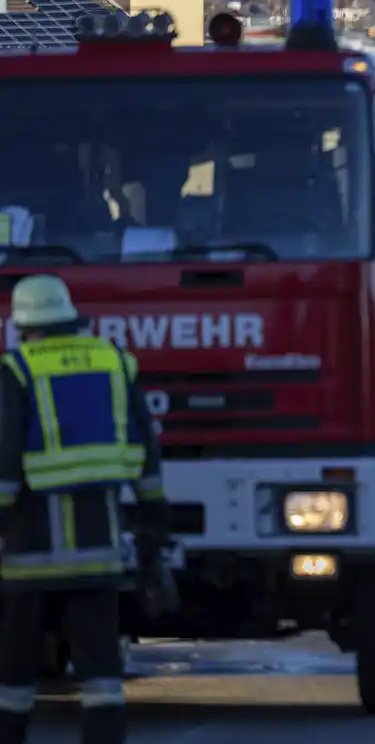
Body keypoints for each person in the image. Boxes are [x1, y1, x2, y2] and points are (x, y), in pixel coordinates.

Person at [0, 275, 171, 744]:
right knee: (101, 673)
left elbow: (5, 461)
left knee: (15, 671)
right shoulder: (115, 361)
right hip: (99, 550)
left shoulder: (16, 371)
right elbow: (146, 451)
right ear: (70, 318)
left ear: (23, 326)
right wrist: (156, 518)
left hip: (28, 555)